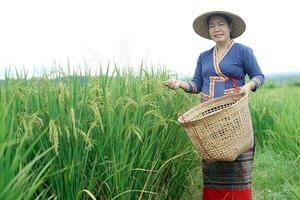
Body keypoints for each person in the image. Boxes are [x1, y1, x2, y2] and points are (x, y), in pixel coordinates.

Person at [164, 11, 264, 200]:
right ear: (208, 31)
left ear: (230, 27)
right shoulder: (204, 57)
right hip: (210, 120)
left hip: (233, 118)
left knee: (236, 167)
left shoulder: (243, 51)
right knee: (213, 165)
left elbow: (259, 76)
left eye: (220, 24)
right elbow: (196, 85)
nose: (216, 29)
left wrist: (249, 86)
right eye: (212, 26)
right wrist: (179, 84)